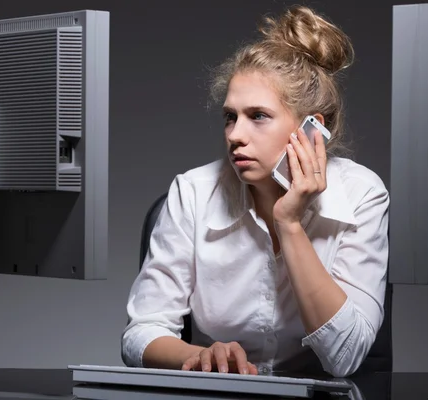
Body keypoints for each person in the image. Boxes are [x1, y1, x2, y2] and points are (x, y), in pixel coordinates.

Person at [121, 5, 389, 379]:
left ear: (312, 128)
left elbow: (344, 358)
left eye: (257, 116)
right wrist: (197, 356)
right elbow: (140, 334)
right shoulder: (193, 192)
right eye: (230, 117)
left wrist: (289, 224)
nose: (234, 135)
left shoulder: (362, 194)